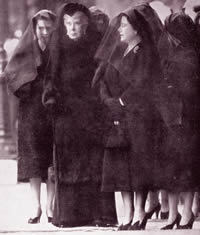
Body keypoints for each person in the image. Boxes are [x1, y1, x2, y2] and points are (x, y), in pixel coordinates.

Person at [43, 3, 117, 227]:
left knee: (94, 163)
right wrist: (51, 99)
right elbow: (50, 78)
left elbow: (105, 78)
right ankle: (69, 216)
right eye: (67, 24)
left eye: (77, 24)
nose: (72, 28)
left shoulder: (96, 46)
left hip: (92, 113)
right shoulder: (57, 47)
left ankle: (99, 215)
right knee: (69, 163)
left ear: (86, 25)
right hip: (66, 114)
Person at [96, 5, 162, 230]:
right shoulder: (118, 50)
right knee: (120, 166)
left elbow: (143, 83)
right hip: (117, 115)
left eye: (124, 25)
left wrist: (122, 102)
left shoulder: (146, 52)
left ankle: (140, 212)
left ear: (137, 28)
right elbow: (103, 79)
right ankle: (127, 213)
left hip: (139, 116)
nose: (120, 29)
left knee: (138, 163)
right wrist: (109, 101)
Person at [4, 10, 56, 223]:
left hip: (53, 111)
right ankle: (35, 207)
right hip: (31, 112)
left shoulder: (58, 50)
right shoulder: (25, 50)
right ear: (34, 29)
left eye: (48, 28)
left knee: (53, 160)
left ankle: (51, 206)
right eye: (40, 28)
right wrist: (28, 86)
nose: (44, 32)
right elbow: (12, 74)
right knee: (34, 161)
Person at [158, 0, 200, 230]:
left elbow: (188, 91)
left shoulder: (188, 58)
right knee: (172, 166)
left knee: (185, 165)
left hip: (184, 116)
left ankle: (186, 214)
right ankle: (174, 214)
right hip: (171, 115)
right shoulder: (174, 57)